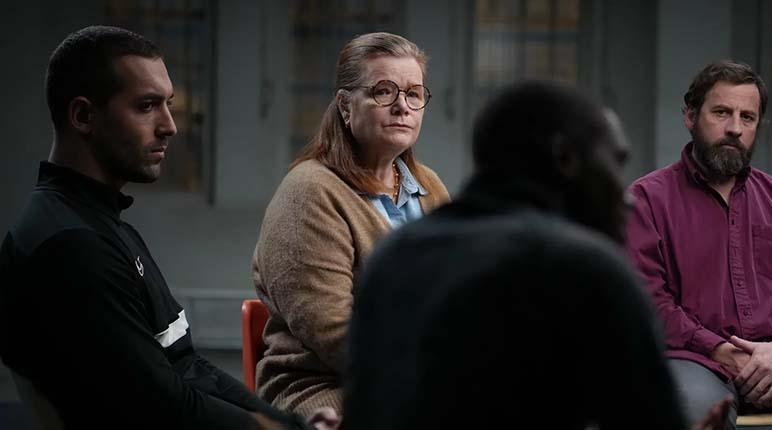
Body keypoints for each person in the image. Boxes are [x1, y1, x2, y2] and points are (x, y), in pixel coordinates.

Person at [343, 81, 727, 430]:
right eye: (616, 161)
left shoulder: (395, 257)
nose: (626, 197)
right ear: (565, 158)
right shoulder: (587, 269)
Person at [0, 26, 316, 430]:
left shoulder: (102, 226)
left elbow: (187, 367)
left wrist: (292, 424)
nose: (170, 125)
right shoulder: (70, 247)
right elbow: (166, 410)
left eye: (168, 104)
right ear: (83, 116)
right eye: (147, 106)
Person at [625, 60, 772, 429]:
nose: (735, 128)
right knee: (693, 413)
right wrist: (719, 349)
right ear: (690, 116)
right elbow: (648, 303)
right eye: (721, 112)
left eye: (747, 117)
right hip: (695, 359)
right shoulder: (646, 199)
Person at [251, 32, 450, 418]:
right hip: (328, 389)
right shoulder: (309, 192)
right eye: (384, 91)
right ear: (345, 105)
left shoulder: (430, 186)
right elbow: (335, 334)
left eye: (413, 94)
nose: (402, 106)